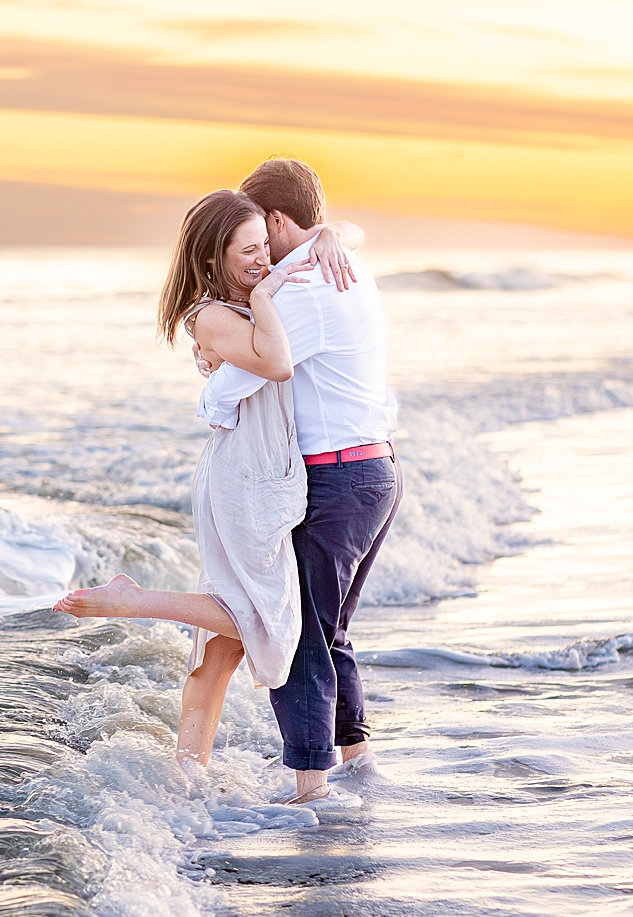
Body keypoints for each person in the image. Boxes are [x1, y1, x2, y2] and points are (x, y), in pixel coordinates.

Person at [53, 188, 364, 770]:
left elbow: (346, 232)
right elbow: (277, 362)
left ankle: (188, 772)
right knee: (274, 619)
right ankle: (134, 600)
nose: (262, 261)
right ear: (213, 258)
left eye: (264, 248)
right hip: (248, 476)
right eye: (247, 252)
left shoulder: (244, 301)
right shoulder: (214, 316)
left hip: (258, 468)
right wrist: (269, 294)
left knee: (222, 646)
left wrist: (324, 235)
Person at [203, 157, 401, 808]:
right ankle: (357, 759)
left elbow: (234, 388)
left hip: (337, 483)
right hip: (375, 472)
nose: (258, 252)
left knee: (299, 635)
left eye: (261, 235)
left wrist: (212, 376)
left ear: (281, 220)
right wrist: (333, 234)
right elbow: (343, 237)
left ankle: (310, 791)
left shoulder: (306, 290)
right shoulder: (345, 265)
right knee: (330, 628)